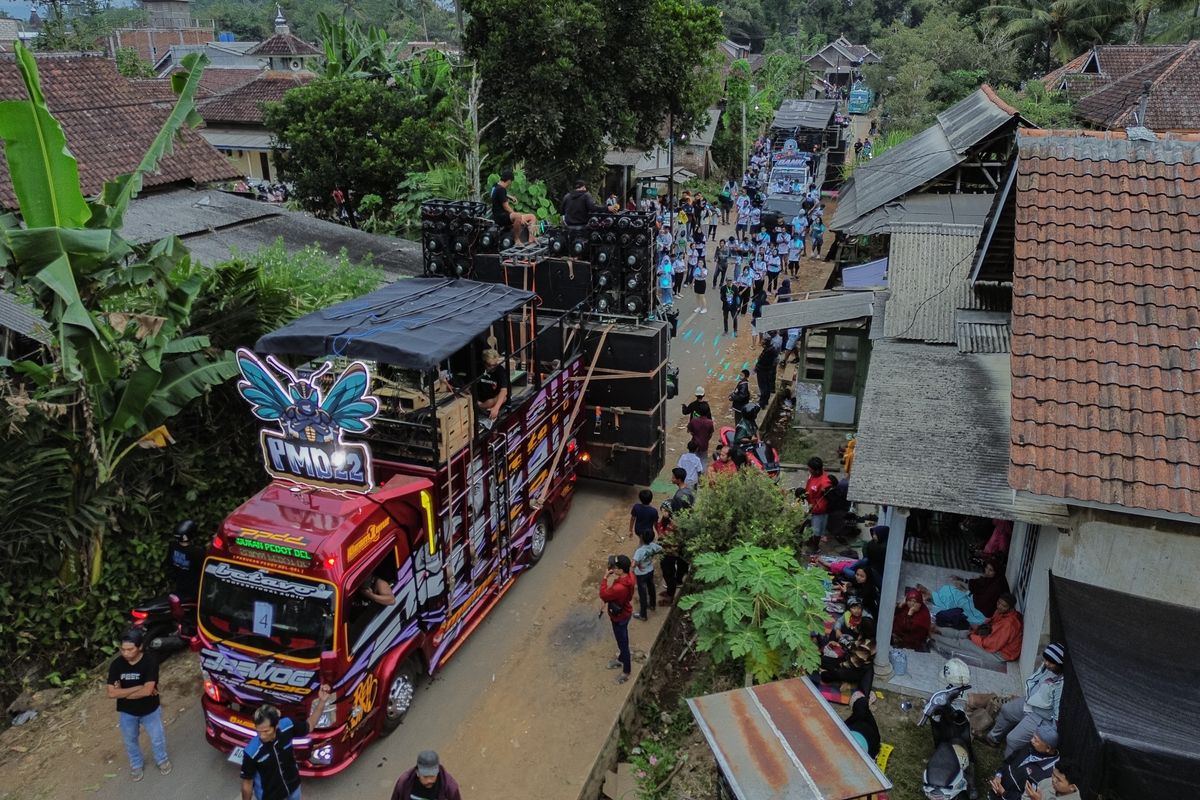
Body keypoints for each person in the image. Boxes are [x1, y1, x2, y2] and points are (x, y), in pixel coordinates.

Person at [240, 685, 333, 800]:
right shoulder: (251, 752)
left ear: (277, 725)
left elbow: (310, 725)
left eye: (266, 731)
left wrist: (322, 702)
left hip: (294, 790)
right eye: (258, 731)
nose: (262, 736)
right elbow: (247, 784)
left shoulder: (287, 725)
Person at [107, 630, 170, 782]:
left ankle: (162, 760)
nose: (126, 653)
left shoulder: (150, 661)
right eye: (123, 649)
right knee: (130, 740)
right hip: (127, 712)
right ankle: (136, 765)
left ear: (140, 647)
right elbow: (112, 693)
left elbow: (148, 691)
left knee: (157, 738)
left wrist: (124, 693)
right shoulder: (116, 665)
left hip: (150, 710)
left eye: (130, 649)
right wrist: (137, 687)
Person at [986, 644, 1066, 757]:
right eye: (1046, 660)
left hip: (1041, 716)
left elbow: (1057, 714)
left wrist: (1049, 735)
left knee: (1013, 740)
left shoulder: (1061, 684)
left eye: (1051, 662)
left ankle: (1006, 768)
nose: (1046, 663)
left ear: (1060, 664)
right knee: (1006, 710)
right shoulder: (1047, 667)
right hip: (1030, 702)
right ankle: (993, 739)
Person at [931, 592, 1023, 664]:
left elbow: (992, 645)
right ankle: (936, 630)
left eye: (1004, 606)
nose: (999, 606)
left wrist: (973, 637)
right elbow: (990, 625)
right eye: (999, 602)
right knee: (964, 633)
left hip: (1000, 654)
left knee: (964, 643)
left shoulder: (1009, 624)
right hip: (992, 638)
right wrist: (976, 631)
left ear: (1011, 608)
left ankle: (933, 637)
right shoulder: (1001, 612)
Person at [988, 724, 1060, 800]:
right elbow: (1009, 761)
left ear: (1048, 748)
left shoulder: (1048, 775)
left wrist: (1004, 793)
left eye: (1036, 740)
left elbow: (1028, 798)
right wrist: (999, 775)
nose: (1032, 740)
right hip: (998, 789)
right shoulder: (1030, 746)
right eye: (1033, 737)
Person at [600, 554, 636, 684]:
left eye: (615, 567)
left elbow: (604, 594)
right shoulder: (630, 576)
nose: (613, 569)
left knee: (623, 643)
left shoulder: (619, 588)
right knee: (622, 640)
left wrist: (605, 578)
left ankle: (626, 671)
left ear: (621, 570)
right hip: (625, 612)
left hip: (619, 617)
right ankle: (621, 658)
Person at [391, 750, 463, 800]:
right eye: (425, 776)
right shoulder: (404, 782)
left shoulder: (450, 787)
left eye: (432, 776)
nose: (429, 780)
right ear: (417, 773)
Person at [490, 170, 537, 245]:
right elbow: (506, 207)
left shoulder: (495, 186)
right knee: (517, 216)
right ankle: (517, 240)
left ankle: (531, 239)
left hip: (501, 215)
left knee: (532, 217)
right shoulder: (501, 189)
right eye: (511, 181)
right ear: (508, 181)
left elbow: (497, 194)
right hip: (500, 217)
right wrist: (518, 216)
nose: (511, 183)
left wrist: (509, 197)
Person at [166, 519, 204, 601]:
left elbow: (169, 562)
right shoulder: (197, 552)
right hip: (194, 589)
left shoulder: (172, 546)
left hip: (179, 584)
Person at [804, 457, 838, 543]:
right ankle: (810, 541)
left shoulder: (825, 483)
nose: (809, 471)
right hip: (811, 507)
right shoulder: (812, 475)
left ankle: (815, 548)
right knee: (810, 527)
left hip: (819, 511)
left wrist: (822, 508)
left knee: (816, 531)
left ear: (817, 470)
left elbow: (833, 499)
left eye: (810, 469)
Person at [631, 530, 663, 621]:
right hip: (650, 570)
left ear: (641, 538)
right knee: (651, 586)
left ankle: (643, 614)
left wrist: (634, 565)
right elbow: (661, 549)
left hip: (641, 574)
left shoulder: (640, 551)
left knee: (642, 593)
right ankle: (652, 605)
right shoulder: (653, 546)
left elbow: (633, 564)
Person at [474, 349, 509, 424]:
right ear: (485, 363)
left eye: (495, 365)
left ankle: (481, 407)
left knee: (502, 398)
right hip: (481, 397)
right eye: (490, 365)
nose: (493, 367)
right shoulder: (478, 369)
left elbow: (504, 390)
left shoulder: (500, 370)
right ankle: (480, 406)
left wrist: (496, 408)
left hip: (492, 398)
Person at [844, 690, 882, 758]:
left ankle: (860, 702)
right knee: (863, 712)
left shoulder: (852, 723)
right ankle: (861, 702)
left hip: (867, 749)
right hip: (871, 750)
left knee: (862, 712)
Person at [754, 338, 778, 406]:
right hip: (767, 370)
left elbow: (761, 361)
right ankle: (765, 400)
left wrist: (756, 367)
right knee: (767, 385)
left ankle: (762, 402)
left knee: (763, 386)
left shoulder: (767, 351)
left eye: (762, 342)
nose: (761, 343)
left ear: (765, 344)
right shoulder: (772, 349)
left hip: (762, 370)